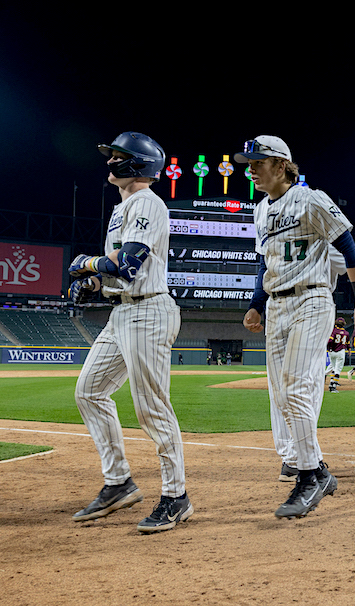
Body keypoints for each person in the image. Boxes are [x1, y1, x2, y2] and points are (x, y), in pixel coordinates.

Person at [238, 135, 355, 517]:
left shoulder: (310, 198)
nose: (250, 170)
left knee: (297, 386)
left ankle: (310, 475)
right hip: (277, 304)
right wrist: (256, 305)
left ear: (282, 165)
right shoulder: (260, 210)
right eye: (248, 164)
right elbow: (264, 264)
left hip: (311, 299)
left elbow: (348, 247)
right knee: (281, 394)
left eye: (258, 163)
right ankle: (315, 472)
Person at [68, 131, 191, 533]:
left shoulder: (147, 203)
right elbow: (114, 270)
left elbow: (128, 263)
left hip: (149, 312)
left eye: (117, 156)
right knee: (89, 391)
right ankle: (119, 483)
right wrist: (92, 281)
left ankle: (176, 496)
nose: (109, 162)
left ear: (138, 163)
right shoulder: (121, 210)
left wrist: (87, 263)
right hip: (123, 313)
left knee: (151, 407)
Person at [264, 231, 355, 483]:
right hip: (311, 305)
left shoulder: (276, 231)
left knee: (281, 388)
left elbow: (261, 267)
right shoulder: (321, 240)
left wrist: (255, 304)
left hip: (277, 304)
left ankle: (292, 458)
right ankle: (303, 458)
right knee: (306, 384)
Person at [326, 318, 349, 393]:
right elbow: (348, 343)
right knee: (337, 370)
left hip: (332, 351)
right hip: (341, 351)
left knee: (333, 367)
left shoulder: (333, 331)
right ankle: (333, 386)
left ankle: (331, 385)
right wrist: (349, 349)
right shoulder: (346, 332)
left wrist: (329, 348)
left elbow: (330, 340)